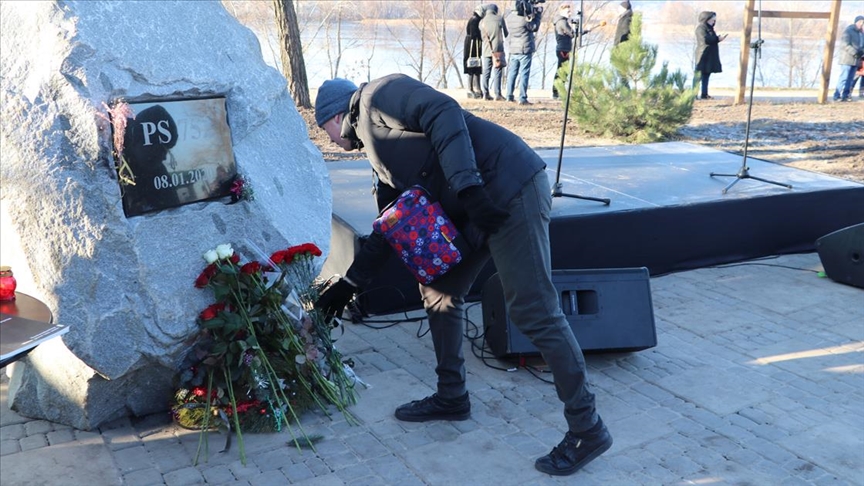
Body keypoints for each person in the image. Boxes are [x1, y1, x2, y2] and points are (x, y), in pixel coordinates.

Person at [312, 74, 613, 477]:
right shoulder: (377, 157)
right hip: (476, 209)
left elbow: (442, 110)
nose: (329, 140)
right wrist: (349, 285)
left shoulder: (378, 96)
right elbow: (390, 225)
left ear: (334, 116)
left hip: (508, 190)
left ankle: (587, 428)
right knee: (438, 290)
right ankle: (451, 395)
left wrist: (468, 188)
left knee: (533, 311)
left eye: (323, 129)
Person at [121, 104, 181, 216]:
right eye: (161, 149)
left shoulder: (159, 174)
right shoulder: (112, 166)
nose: (164, 157)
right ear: (138, 142)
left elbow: (175, 213)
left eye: (167, 150)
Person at [505, 0, 544, 105]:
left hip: (513, 49)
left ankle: (509, 96)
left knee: (512, 73)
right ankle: (522, 98)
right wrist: (538, 15)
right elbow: (534, 27)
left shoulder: (509, 18)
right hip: (524, 49)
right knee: (524, 74)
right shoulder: (524, 20)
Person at [694, 11, 727, 100]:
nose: (714, 22)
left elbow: (711, 39)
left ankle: (704, 94)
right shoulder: (701, 28)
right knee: (698, 76)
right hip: (702, 55)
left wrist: (718, 39)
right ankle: (693, 95)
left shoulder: (710, 28)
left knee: (706, 75)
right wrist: (717, 38)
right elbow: (705, 39)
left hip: (709, 56)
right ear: (707, 19)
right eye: (712, 20)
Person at [833, 16, 864, 102]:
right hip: (847, 59)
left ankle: (846, 95)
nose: (861, 24)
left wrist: (861, 52)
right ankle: (837, 95)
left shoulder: (861, 34)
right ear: (856, 22)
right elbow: (845, 44)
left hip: (856, 60)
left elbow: (862, 45)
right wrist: (854, 53)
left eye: (863, 22)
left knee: (850, 79)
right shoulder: (848, 31)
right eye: (860, 22)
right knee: (844, 77)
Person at [480, 3, 508, 101]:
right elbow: (506, 33)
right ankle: (497, 94)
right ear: (495, 10)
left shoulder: (482, 22)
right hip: (498, 50)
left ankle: (485, 93)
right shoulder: (499, 19)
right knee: (498, 72)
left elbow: (481, 37)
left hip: (487, 50)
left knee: (486, 72)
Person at [552, 3, 575, 99]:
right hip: (563, 50)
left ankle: (558, 91)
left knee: (563, 71)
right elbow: (572, 34)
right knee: (562, 72)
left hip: (564, 48)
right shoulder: (562, 22)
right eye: (568, 11)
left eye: (570, 11)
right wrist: (574, 28)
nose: (570, 13)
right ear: (562, 11)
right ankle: (557, 92)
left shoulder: (562, 21)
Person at [464, 5, 486, 99]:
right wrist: (480, 38)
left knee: (475, 66)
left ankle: (475, 88)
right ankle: (472, 89)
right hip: (472, 45)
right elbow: (474, 34)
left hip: (472, 44)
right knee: (473, 65)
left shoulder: (474, 19)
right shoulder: (475, 20)